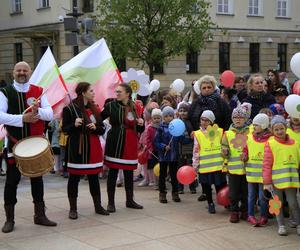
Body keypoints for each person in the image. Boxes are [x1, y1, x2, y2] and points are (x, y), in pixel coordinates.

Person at [0, 61, 57, 233]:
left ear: (30, 72)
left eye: (25, 70)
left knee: (37, 180)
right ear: (13, 72)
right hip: (15, 144)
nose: (22, 72)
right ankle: (9, 219)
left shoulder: (39, 91)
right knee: (11, 182)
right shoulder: (4, 92)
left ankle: (40, 215)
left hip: (35, 144)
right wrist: (21, 119)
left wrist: (38, 113)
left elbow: (50, 113)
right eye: (19, 70)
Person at [62, 82, 109, 219]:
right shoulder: (70, 109)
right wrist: (74, 124)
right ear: (83, 92)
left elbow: (102, 129)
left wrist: (96, 128)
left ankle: (98, 206)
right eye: (91, 90)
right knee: (74, 178)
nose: (93, 93)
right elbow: (65, 129)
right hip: (77, 148)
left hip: (93, 146)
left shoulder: (95, 108)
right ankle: (73, 209)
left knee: (94, 177)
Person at [102, 83, 144, 213]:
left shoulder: (136, 107)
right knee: (113, 172)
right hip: (115, 140)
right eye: (116, 91)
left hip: (130, 141)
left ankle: (130, 200)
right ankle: (110, 203)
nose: (117, 93)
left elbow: (140, 128)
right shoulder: (110, 106)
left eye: (120, 91)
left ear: (127, 93)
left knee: (128, 172)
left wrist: (141, 124)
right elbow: (98, 119)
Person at [263, 115, 300, 236]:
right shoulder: (270, 143)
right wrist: (267, 182)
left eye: (281, 128)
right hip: (275, 181)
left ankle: (298, 224)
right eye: (276, 129)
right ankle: (281, 225)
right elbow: (267, 164)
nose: (279, 131)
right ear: (272, 131)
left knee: (293, 202)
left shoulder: (294, 144)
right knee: (276, 204)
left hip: (291, 180)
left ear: (286, 127)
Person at [193, 110, 226, 214]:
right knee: (206, 186)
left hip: (218, 165)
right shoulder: (197, 134)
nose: (204, 122)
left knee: (219, 185)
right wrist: (195, 165)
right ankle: (210, 203)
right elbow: (196, 150)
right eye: (202, 119)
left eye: (207, 120)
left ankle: (224, 201)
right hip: (205, 166)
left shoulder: (219, 132)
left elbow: (224, 146)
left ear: (211, 122)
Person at [242, 114, 271, 226]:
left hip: (263, 175)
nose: (253, 127)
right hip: (251, 174)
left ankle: (264, 216)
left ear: (264, 125)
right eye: (253, 125)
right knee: (251, 196)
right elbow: (245, 149)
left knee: (263, 197)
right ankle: (250, 215)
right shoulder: (249, 137)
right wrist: (244, 155)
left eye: (256, 125)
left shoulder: (270, 139)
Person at [222, 105, 250, 223]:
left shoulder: (250, 132)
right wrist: (224, 151)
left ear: (245, 119)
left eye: (240, 117)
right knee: (233, 193)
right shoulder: (227, 134)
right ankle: (234, 211)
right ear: (232, 119)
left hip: (247, 169)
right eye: (235, 117)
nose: (238, 119)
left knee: (246, 192)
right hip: (233, 170)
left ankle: (244, 211)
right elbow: (223, 147)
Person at [154, 106, 181, 203]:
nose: (168, 118)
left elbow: (181, 140)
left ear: (173, 116)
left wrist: (185, 136)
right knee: (162, 175)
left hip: (174, 156)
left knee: (174, 175)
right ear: (163, 117)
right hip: (163, 156)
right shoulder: (160, 128)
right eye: (166, 116)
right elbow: (156, 142)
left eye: (170, 116)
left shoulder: (176, 127)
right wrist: (164, 146)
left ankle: (175, 193)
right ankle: (162, 194)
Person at [177, 102, 197, 194]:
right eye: (180, 111)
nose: (183, 113)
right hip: (180, 150)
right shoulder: (176, 122)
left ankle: (192, 186)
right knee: (180, 168)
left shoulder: (190, 122)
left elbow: (193, 134)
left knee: (190, 168)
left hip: (190, 149)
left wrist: (189, 139)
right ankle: (180, 187)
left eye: (185, 111)